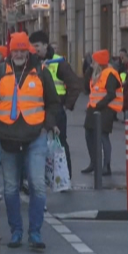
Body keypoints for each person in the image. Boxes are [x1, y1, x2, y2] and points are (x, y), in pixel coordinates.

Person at [0, 32, 59, 249]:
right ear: (10, 52)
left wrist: (48, 124)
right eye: (16, 50)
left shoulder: (41, 72)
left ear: (29, 51)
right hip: (7, 136)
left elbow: (53, 102)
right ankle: (16, 231)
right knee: (11, 188)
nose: (19, 54)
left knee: (37, 185)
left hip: (36, 135)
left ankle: (35, 233)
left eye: (23, 50)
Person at [29, 31, 83, 174]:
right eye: (32, 46)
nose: (35, 49)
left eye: (37, 46)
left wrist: (66, 106)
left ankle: (64, 175)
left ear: (46, 45)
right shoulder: (30, 61)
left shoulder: (59, 62)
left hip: (56, 109)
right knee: (34, 143)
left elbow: (75, 85)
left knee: (60, 143)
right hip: (35, 108)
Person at [84, 49, 123, 176]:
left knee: (102, 136)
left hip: (105, 109)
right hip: (93, 108)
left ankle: (106, 166)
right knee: (89, 135)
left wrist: (99, 105)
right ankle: (94, 163)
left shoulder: (110, 74)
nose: (92, 63)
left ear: (99, 62)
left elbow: (111, 94)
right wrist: (89, 71)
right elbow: (86, 88)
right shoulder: (97, 74)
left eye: (94, 61)